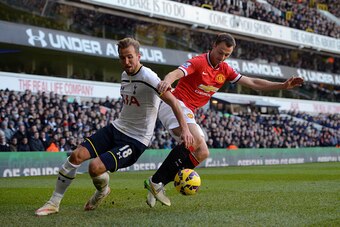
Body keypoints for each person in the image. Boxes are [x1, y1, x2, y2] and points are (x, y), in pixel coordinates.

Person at [35, 37, 193, 216]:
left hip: (136, 140)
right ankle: (54, 203)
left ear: (139, 56)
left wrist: (185, 130)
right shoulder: (125, 75)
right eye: (122, 58)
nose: (126, 62)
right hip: (116, 128)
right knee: (76, 155)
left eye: (130, 57)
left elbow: (173, 102)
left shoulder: (149, 77)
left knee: (94, 168)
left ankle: (102, 191)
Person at [144, 32, 304, 207]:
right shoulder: (199, 62)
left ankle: (157, 182)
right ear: (213, 45)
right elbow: (175, 73)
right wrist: (167, 82)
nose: (222, 57)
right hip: (175, 104)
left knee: (202, 153)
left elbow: (253, 83)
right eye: (220, 52)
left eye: (227, 54)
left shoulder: (225, 70)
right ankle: (156, 182)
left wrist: (282, 85)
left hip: (188, 111)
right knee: (196, 140)